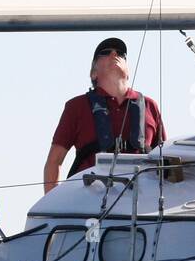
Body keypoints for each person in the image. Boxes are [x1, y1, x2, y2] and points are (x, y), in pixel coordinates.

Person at [43, 37, 166, 192]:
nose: (115, 54)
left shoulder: (150, 106)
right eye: (106, 52)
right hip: (88, 202)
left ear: (128, 72)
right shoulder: (76, 106)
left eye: (121, 54)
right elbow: (54, 161)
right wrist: (53, 208)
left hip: (140, 202)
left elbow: (166, 162)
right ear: (93, 73)